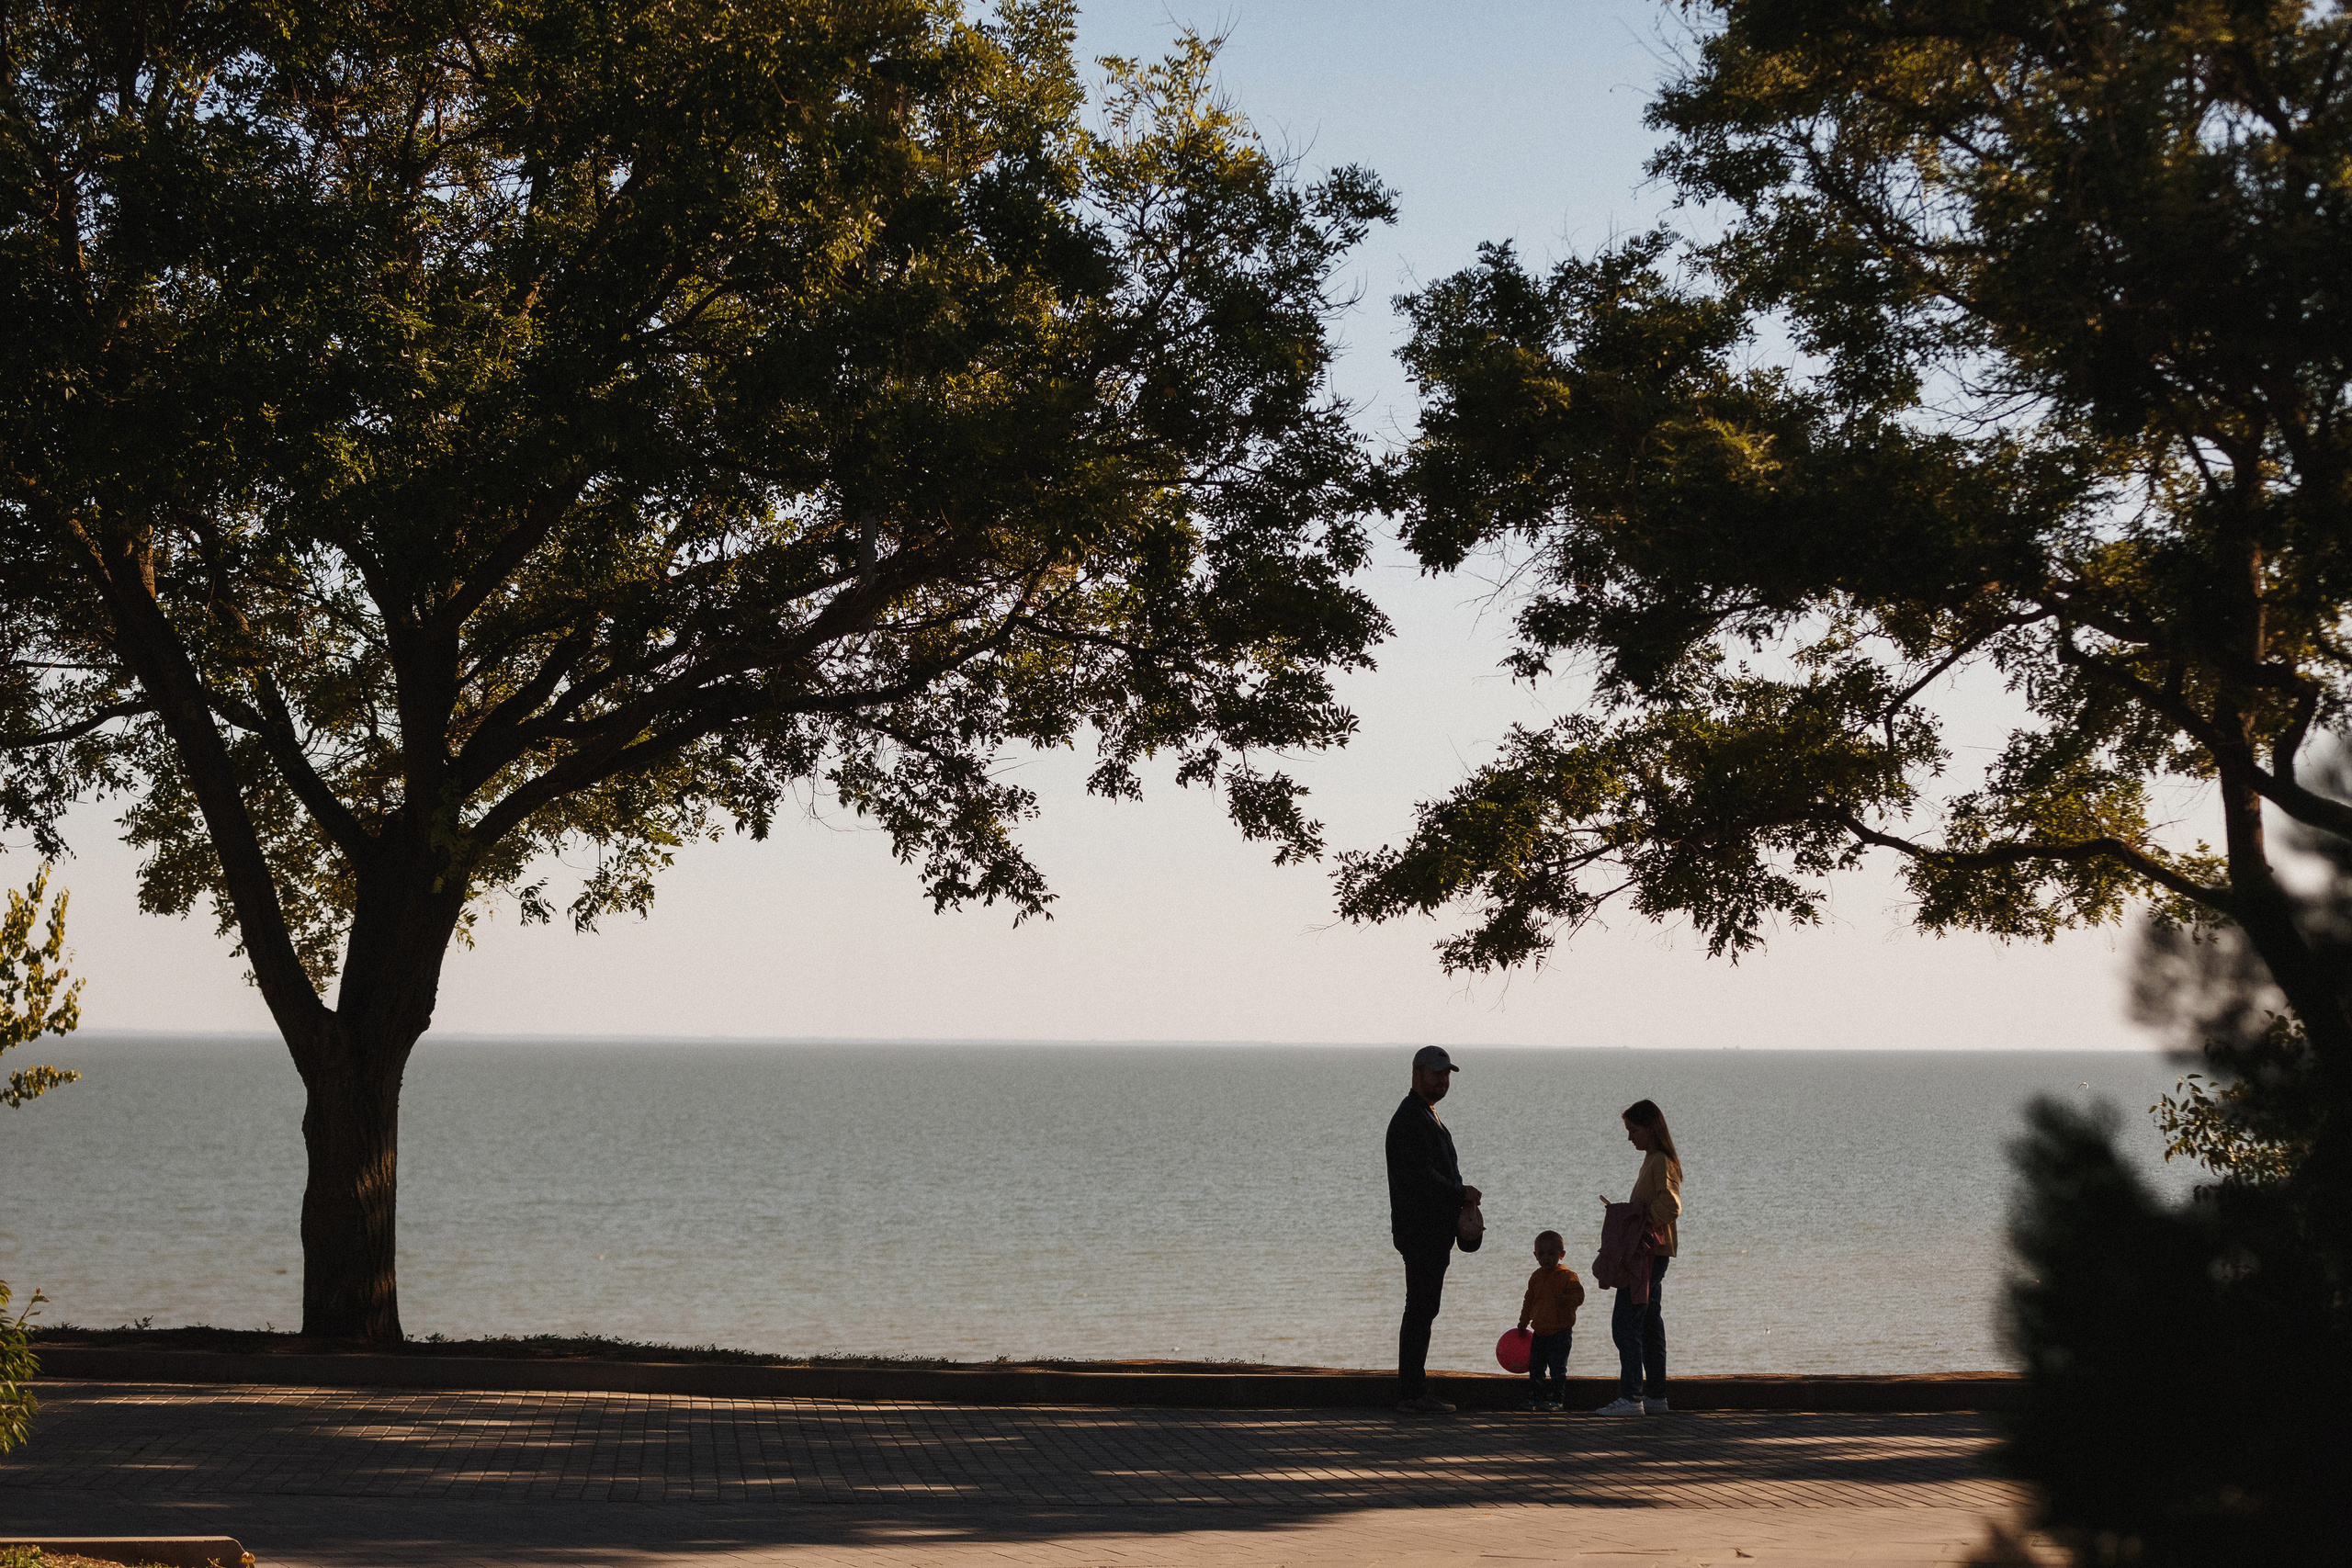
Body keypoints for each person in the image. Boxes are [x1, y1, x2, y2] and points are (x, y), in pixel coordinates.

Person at [1385, 1044, 1481, 1416]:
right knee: (1420, 1310)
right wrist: (1460, 1192)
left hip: (1429, 1231)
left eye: (1446, 1074)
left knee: (1423, 1309)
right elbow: (1421, 1177)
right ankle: (1411, 1392)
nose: (1443, 1080)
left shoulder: (1425, 1115)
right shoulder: (1412, 1118)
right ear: (1416, 1073)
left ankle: (1413, 1389)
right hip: (1420, 1231)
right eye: (1436, 1073)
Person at [1595, 1098, 1682, 1416]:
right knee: (1648, 1325)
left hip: (1647, 1254)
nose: (1629, 1136)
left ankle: (1632, 1397)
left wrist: (1639, 1222)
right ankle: (1657, 1397)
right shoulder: (1654, 1159)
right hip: (1654, 1253)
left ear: (1650, 1128)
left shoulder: (1659, 1160)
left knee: (1625, 1323)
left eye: (1633, 1130)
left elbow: (1671, 1206)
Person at [1514, 1229, 1584, 1411]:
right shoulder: (1536, 1277)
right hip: (1539, 1332)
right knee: (1536, 1368)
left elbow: (1579, 1296)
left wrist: (1567, 1300)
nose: (1546, 1258)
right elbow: (1529, 1301)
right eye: (1541, 1254)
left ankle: (1556, 1399)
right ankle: (1535, 1398)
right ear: (1535, 1255)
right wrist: (1523, 1322)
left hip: (1560, 1331)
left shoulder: (1568, 1276)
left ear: (1561, 1255)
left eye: (1552, 1254)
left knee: (1557, 1369)